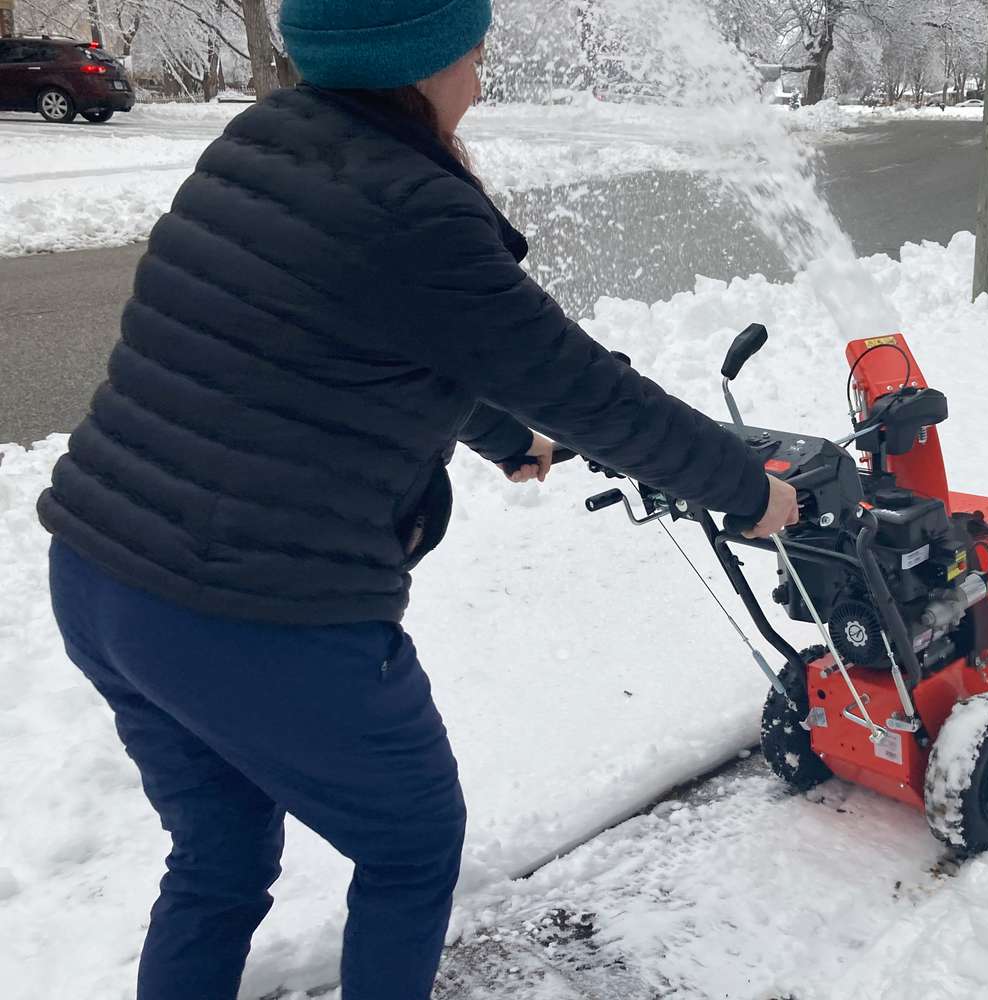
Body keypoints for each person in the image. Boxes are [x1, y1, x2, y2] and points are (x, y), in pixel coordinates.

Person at [37, 1, 799, 998]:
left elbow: (358, 329)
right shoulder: (417, 207)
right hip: (250, 614)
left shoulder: (259, 144)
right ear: (417, 61)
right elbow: (585, 390)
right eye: (473, 55)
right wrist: (749, 495)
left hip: (101, 578)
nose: (480, 80)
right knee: (410, 843)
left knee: (217, 856)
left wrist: (496, 436)